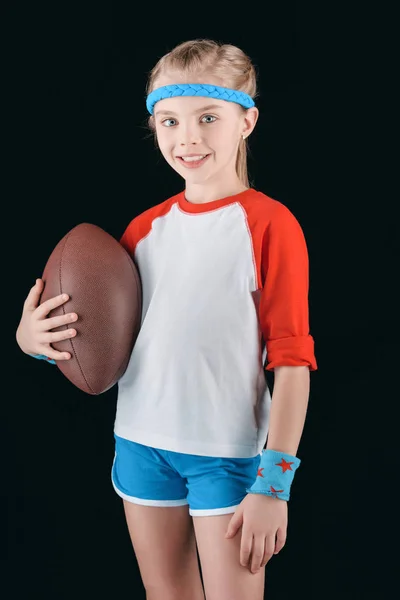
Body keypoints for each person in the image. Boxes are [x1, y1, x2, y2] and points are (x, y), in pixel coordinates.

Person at [16, 39, 318, 600]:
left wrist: (274, 485)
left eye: (208, 117)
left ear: (246, 121)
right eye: (169, 120)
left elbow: (293, 361)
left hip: (226, 454)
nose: (188, 138)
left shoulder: (270, 226)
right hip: (139, 442)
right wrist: (31, 341)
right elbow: (105, 334)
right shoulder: (142, 230)